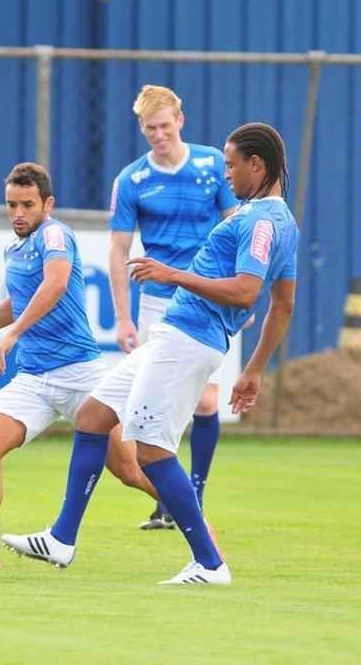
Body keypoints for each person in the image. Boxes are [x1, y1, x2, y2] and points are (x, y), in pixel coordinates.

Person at [3, 122, 299, 585]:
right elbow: (282, 306)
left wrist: (172, 274)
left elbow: (246, 292)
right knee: (94, 415)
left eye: (231, 164)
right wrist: (254, 369)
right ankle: (62, 538)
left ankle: (210, 563)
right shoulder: (282, 222)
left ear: (255, 165)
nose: (226, 174)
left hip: (188, 341)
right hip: (173, 335)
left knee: (150, 451)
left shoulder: (260, 220)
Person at [0, 163, 160, 569]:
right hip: (35, 377)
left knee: (130, 470)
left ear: (47, 204)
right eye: (12, 204)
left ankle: (197, 522)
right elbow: (20, 301)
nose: (18, 213)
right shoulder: (13, 248)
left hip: (81, 374)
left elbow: (55, 284)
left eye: (27, 204)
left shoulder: (54, 233)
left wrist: (11, 336)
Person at [109, 85, 239, 529]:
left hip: (207, 293)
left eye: (165, 126)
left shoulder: (212, 166)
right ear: (142, 129)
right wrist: (123, 316)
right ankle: (170, 500)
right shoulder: (132, 180)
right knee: (159, 407)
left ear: (180, 120)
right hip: (158, 302)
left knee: (204, 402)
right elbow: (119, 249)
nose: (159, 135)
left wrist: (242, 293)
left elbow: (232, 226)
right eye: (151, 129)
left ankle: (193, 497)